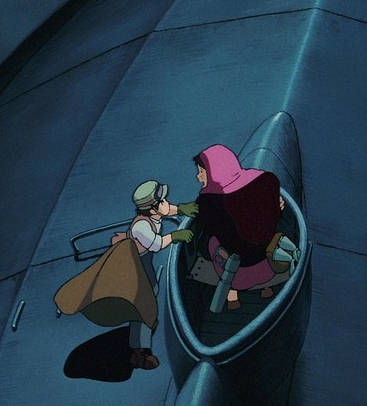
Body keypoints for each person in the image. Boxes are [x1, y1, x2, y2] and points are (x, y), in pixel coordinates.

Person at [54, 180, 196, 370]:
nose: (166, 203)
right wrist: (174, 236)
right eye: (162, 201)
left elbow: (166, 210)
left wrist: (181, 209)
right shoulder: (141, 226)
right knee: (142, 300)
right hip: (134, 262)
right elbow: (155, 244)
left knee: (151, 291)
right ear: (152, 208)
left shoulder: (154, 214)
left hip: (144, 260)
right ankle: (139, 352)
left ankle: (144, 323)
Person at [193, 144, 285, 310]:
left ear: (214, 172)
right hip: (270, 264)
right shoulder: (266, 180)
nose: (198, 178)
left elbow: (208, 230)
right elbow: (276, 215)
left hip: (238, 276)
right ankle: (266, 288)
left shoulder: (207, 202)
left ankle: (232, 296)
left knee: (212, 243)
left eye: (201, 172)